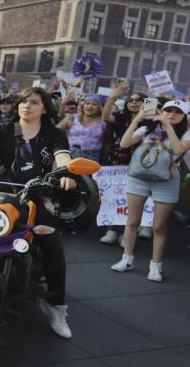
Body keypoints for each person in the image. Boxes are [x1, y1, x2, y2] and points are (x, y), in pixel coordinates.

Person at [0, 87, 76, 338]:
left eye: (34, 102)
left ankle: (57, 305)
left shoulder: (53, 134)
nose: (27, 106)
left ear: (44, 108)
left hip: (37, 196)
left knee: (53, 247)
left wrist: (67, 173)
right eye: (24, 101)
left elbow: (63, 158)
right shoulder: (2, 129)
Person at [111, 100, 190, 282]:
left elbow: (178, 150)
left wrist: (167, 126)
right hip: (139, 177)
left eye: (177, 112)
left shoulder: (186, 133)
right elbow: (124, 143)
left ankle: (155, 265)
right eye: (167, 110)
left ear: (184, 116)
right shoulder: (147, 129)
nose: (171, 114)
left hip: (167, 180)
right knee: (132, 221)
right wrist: (138, 119)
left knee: (159, 226)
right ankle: (126, 259)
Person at [100, 88, 148, 244]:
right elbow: (105, 116)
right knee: (112, 195)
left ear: (146, 104)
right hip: (116, 159)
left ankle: (127, 234)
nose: (133, 102)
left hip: (138, 162)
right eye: (131, 100)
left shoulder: (151, 122)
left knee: (133, 199)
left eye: (138, 100)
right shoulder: (121, 117)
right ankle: (111, 231)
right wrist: (111, 98)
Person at [58, 94, 106, 161]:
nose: (89, 106)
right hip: (71, 157)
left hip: (92, 158)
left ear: (100, 107)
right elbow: (55, 132)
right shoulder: (72, 118)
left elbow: (107, 141)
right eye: (87, 103)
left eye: (94, 104)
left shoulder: (103, 122)